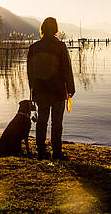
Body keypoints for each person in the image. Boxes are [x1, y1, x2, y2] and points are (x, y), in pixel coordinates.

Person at [28, 17, 75, 160]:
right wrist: (70, 88)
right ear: (55, 29)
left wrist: (32, 90)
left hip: (41, 90)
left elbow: (30, 72)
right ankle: (57, 152)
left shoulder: (34, 47)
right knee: (57, 122)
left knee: (42, 121)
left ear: (42, 29)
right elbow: (67, 68)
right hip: (58, 90)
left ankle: (41, 151)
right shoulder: (60, 46)